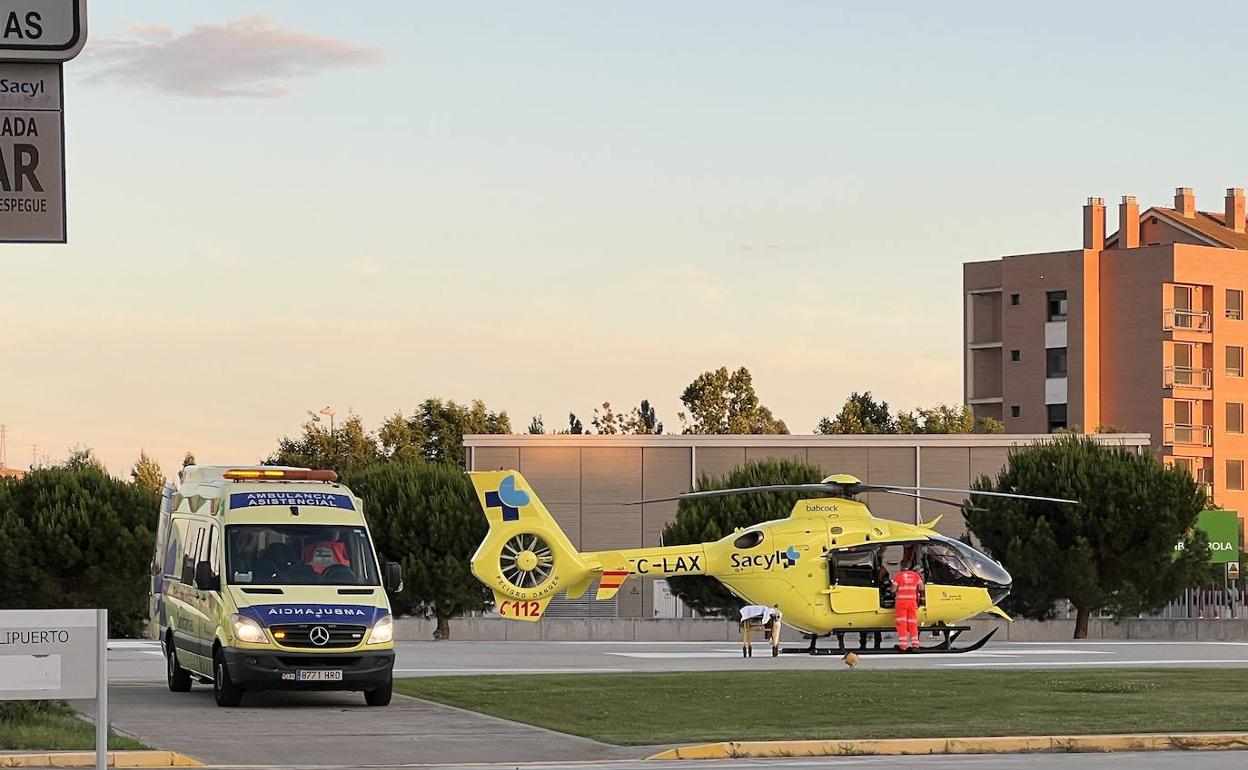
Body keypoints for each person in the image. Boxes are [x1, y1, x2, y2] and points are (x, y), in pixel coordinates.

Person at [891, 557, 925, 652]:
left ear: (901, 566)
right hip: (912, 602)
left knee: (901, 623)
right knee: (913, 623)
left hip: (901, 603)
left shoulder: (898, 576)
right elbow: (921, 588)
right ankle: (915, 645)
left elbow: (893, 590)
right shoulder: (916, 576)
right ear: (909, 566)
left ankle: (903, 646)